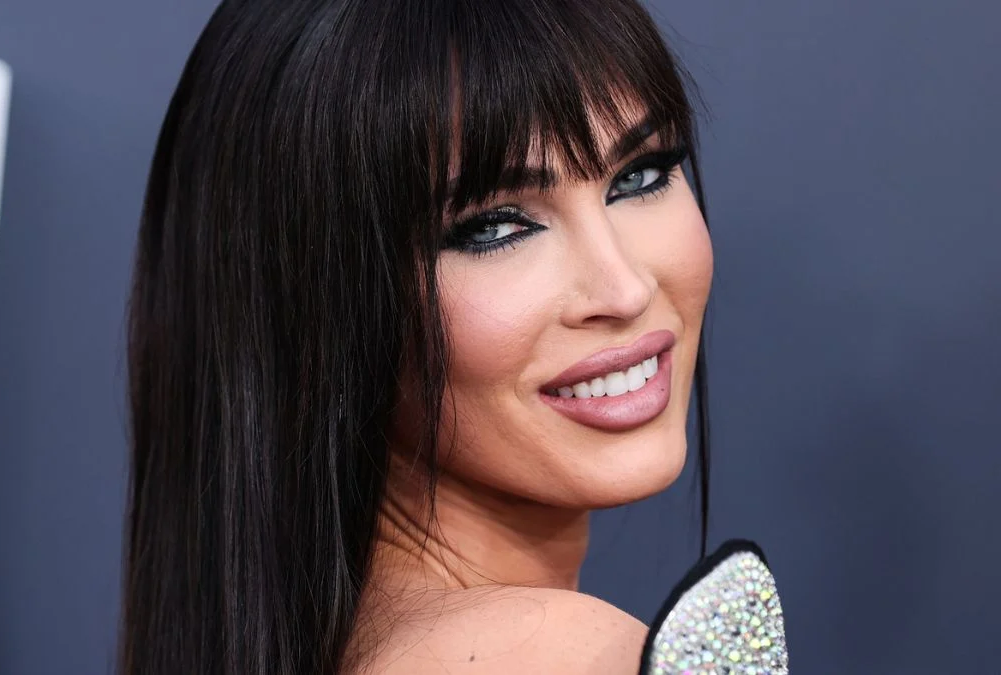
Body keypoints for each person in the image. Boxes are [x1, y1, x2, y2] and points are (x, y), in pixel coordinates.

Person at [121, 0, 716, 673]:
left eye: (639, 175)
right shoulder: (559, 656)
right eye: (494, 227)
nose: (625, 290)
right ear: (315, 300)